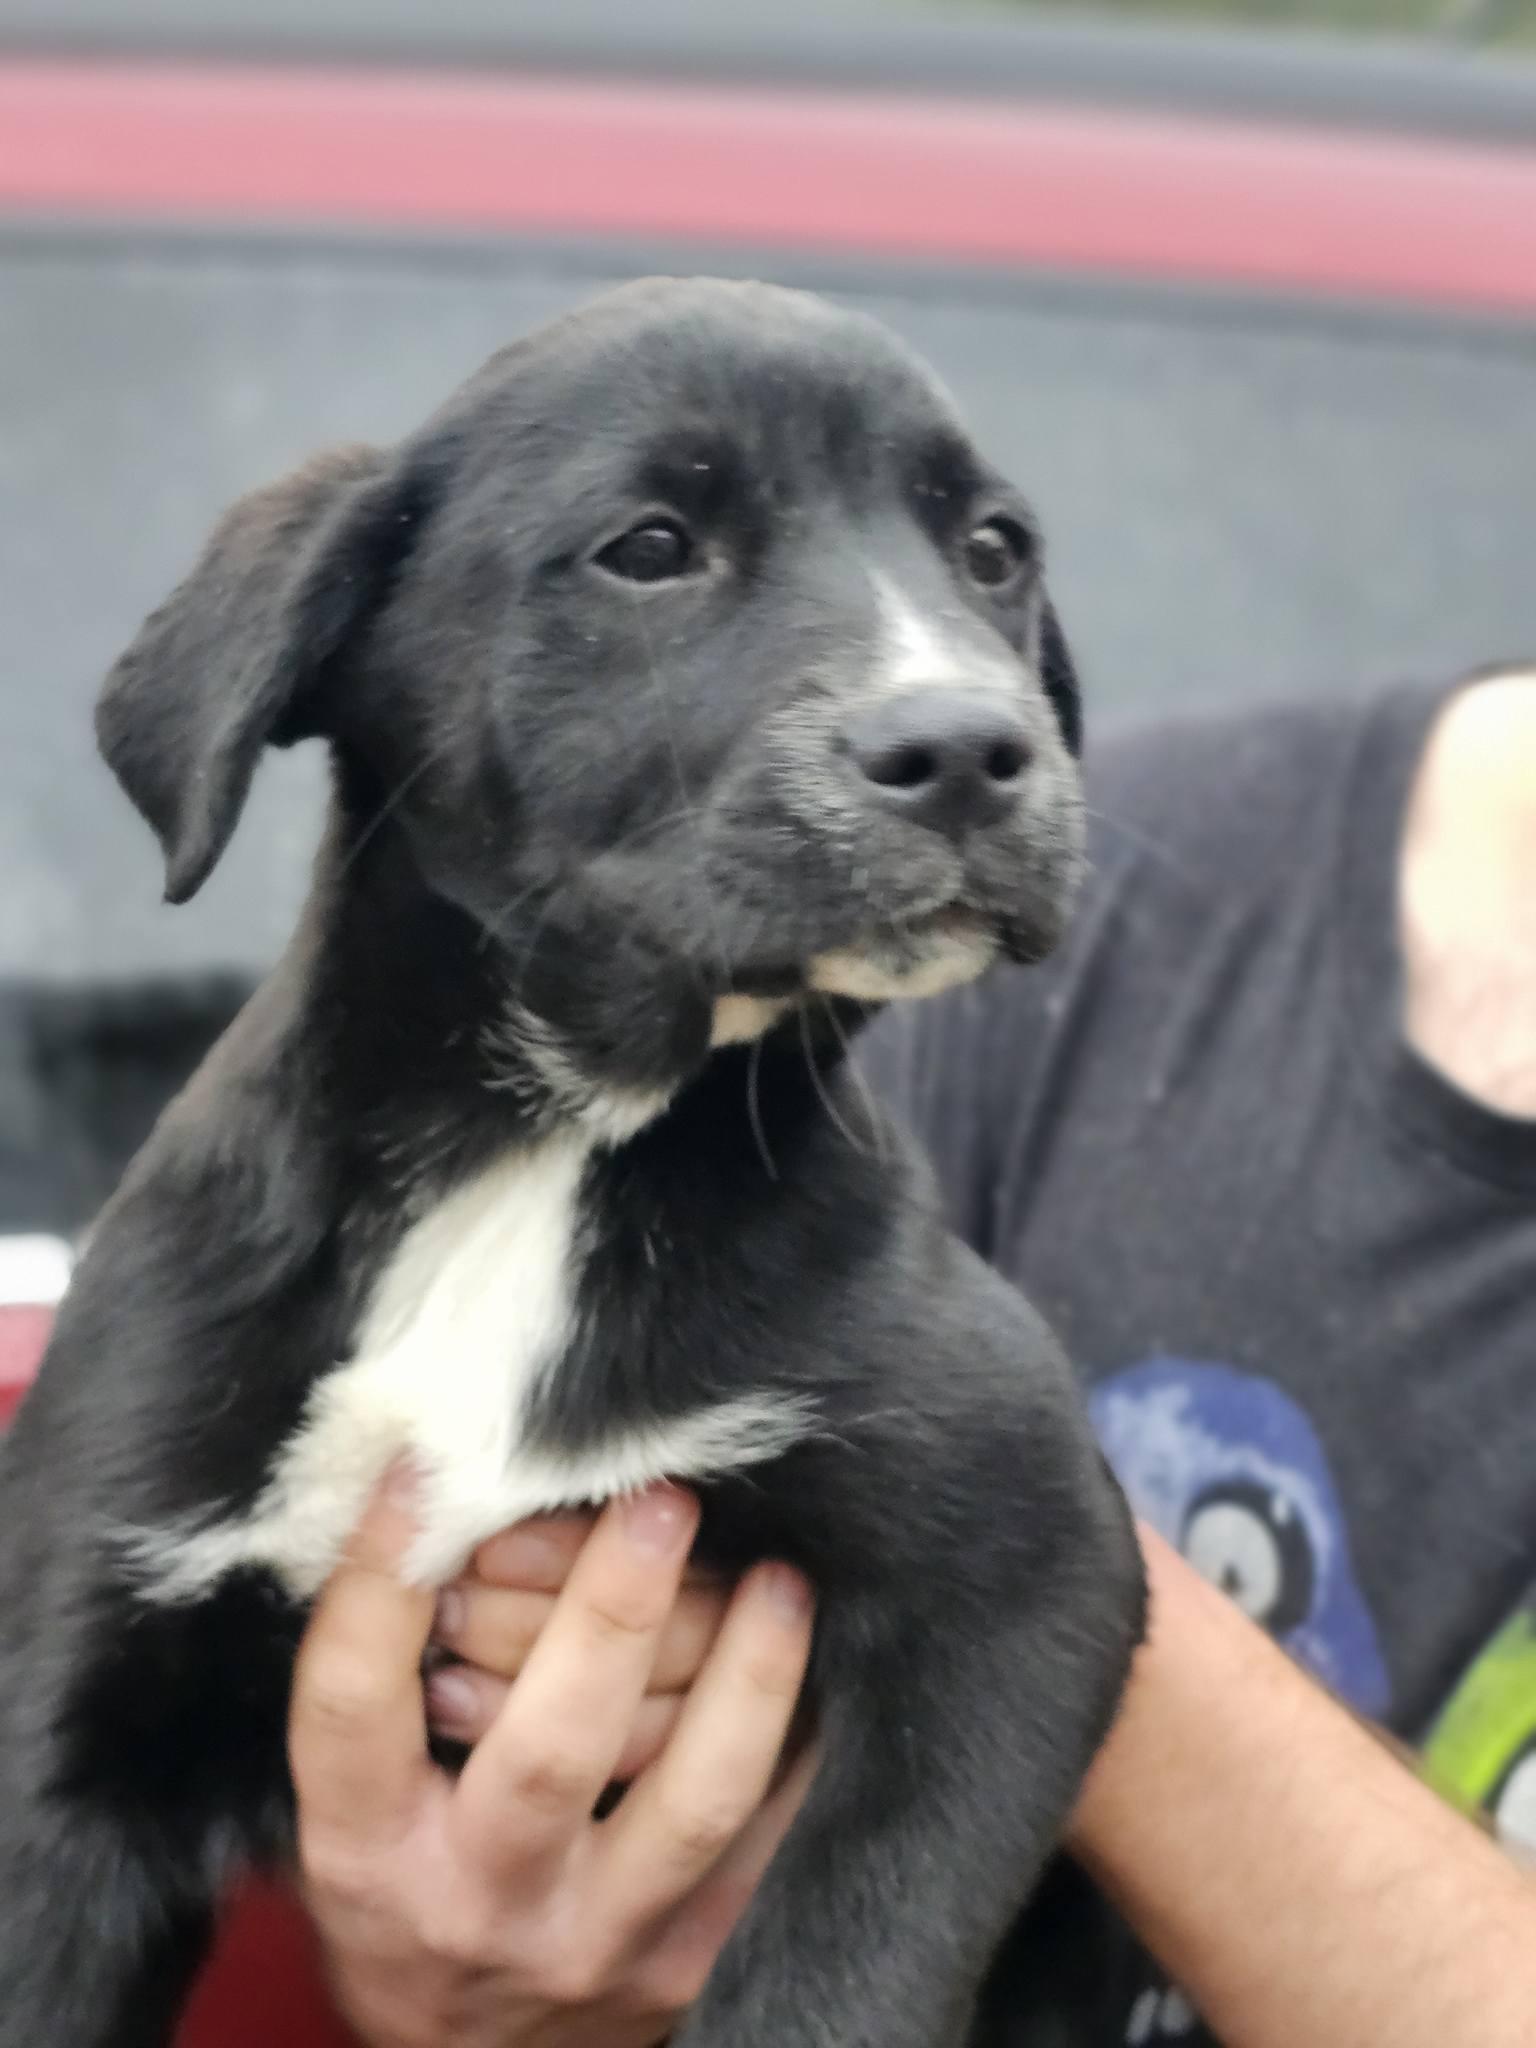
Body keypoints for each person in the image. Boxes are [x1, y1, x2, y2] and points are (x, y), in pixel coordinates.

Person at [4, 667, 1534, 2043]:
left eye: (984, 560)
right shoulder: (1090, 864)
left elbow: (987, 1562)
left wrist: (1004, 1594)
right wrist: (482, 1949)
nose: (934, 694)